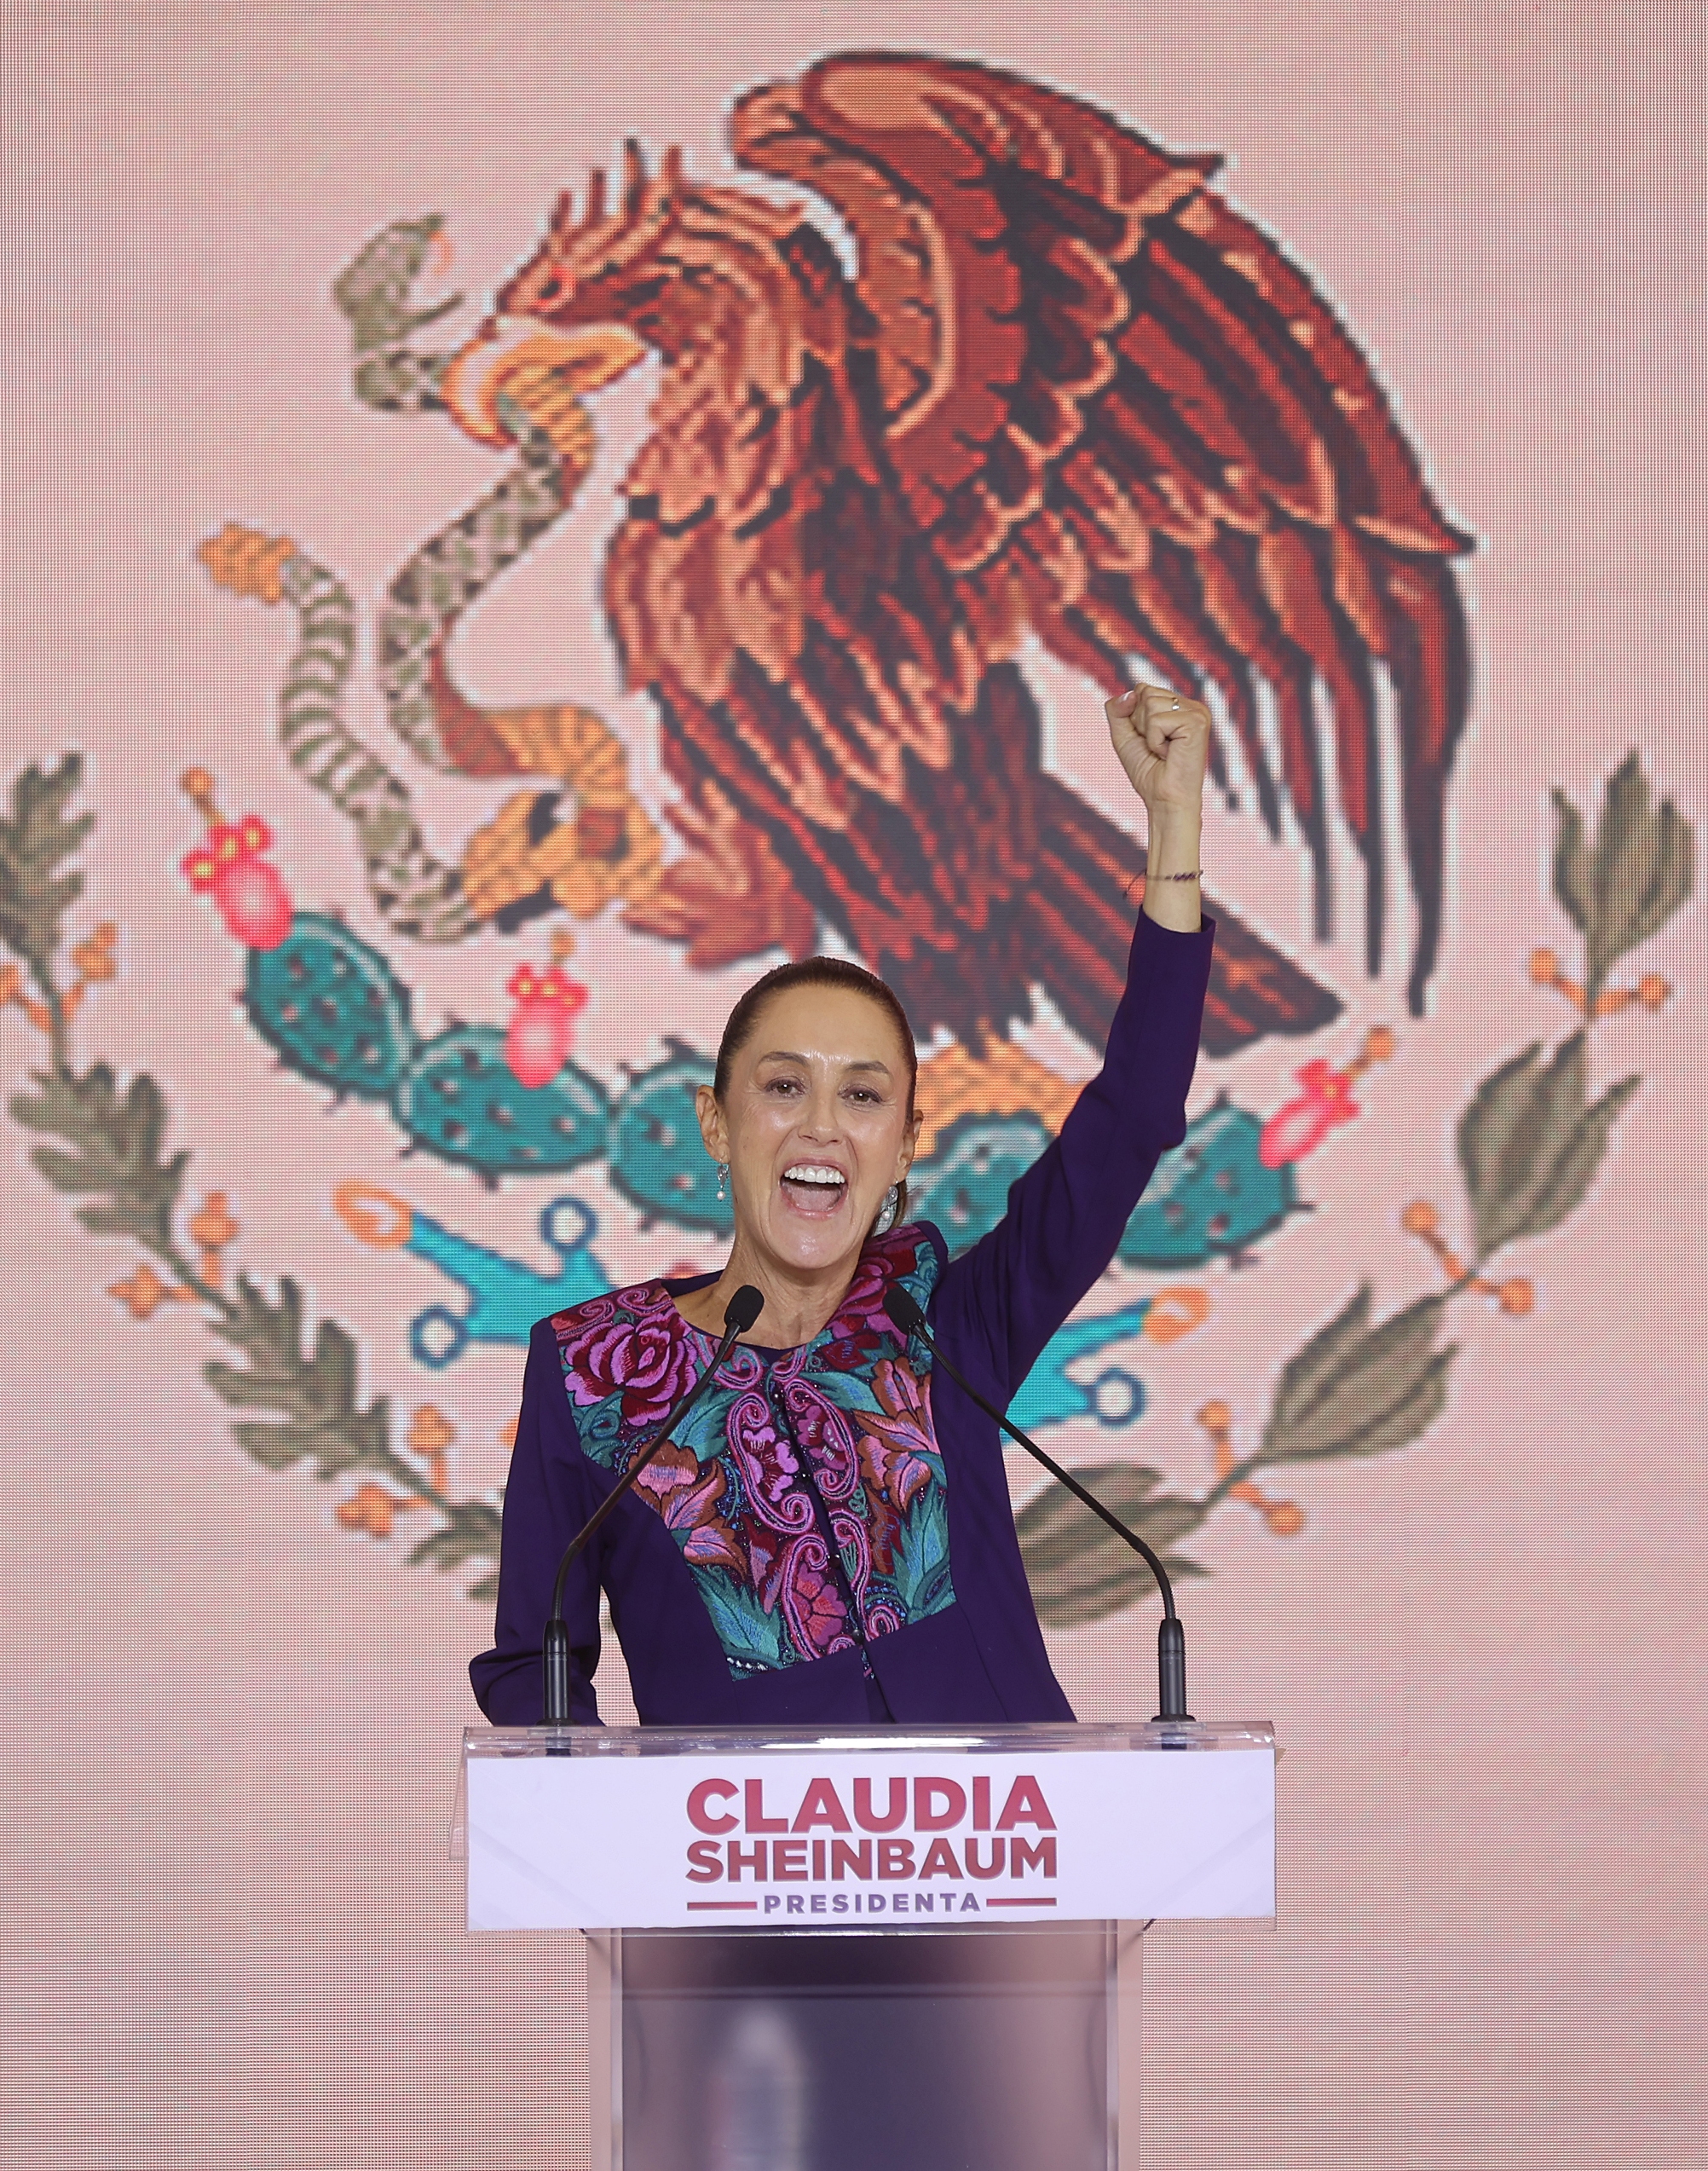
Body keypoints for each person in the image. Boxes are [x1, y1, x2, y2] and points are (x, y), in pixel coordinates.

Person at [469, 684, 1219, 1726]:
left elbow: (1132, 1118)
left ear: (904, 1143)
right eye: (784, 1087)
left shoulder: (948, 1326)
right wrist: (625, 1858)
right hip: (738, 1881)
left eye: (863, 1096)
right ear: (716, 1122)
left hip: (1007, 1871)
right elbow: (530, 1676)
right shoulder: (596, 1376)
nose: (823, 1125)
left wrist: (1175, 828)